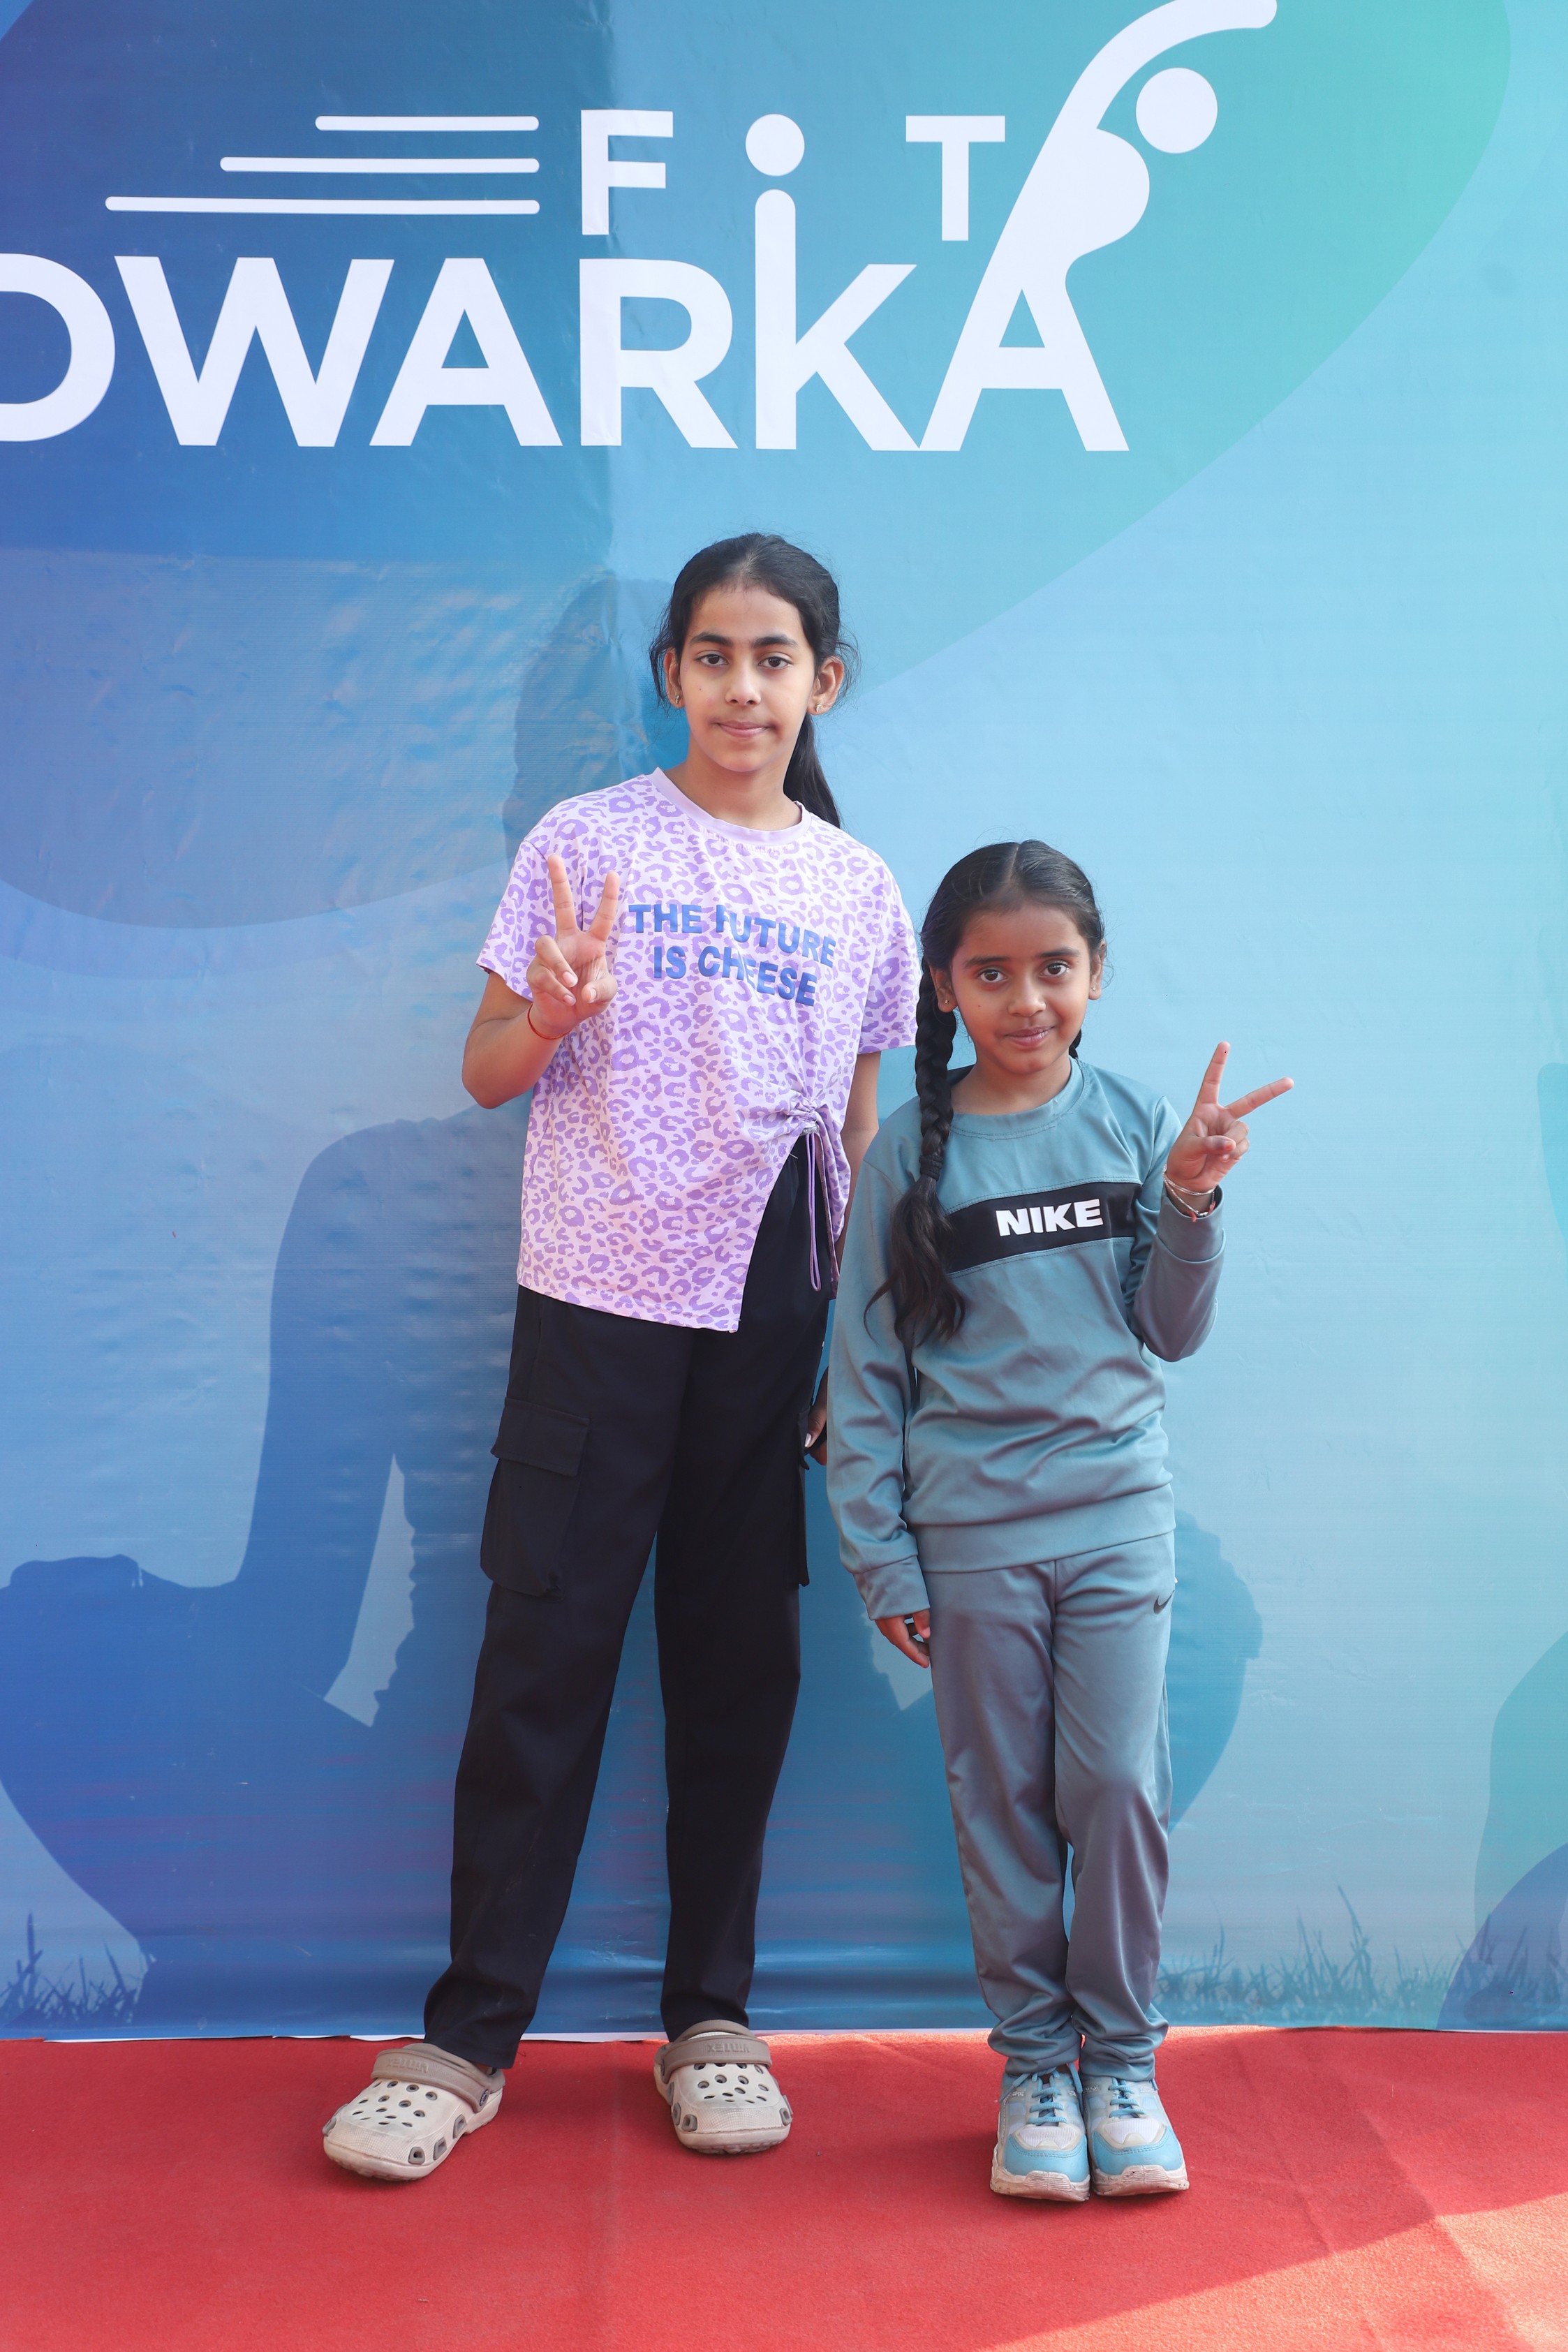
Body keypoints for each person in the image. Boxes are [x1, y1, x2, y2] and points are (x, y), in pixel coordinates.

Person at [323, 534, 919, 2182]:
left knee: (738, 1666)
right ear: (671, 674)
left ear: (823, 681)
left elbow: (860, 1128)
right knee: (545, 1656)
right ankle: (465, 2039)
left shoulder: (858, 888)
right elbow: (484, 1068)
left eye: (774, 657)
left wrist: (849, 1347)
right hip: (596, 1303)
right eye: (712, 655)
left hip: (770, 1318)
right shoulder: (586, 843)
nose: (742, 687)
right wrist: (555, 1015)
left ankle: (710, 2017)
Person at [826, 841, 1289, 2201]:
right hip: (968, 1533)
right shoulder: (907, 1153)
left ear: (1093, 973)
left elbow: (1170, 1330)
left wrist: (1190, 1195)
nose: (1025, 999)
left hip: (1114, 1517)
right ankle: (1035, 2065)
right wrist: (879, 1553)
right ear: (943, 986)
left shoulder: (1138, 1119)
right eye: (991, 973)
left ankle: (1120, 2064)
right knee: (1002, 1803)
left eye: (1052, 968)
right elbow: (863, 1373)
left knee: (1115, 1788)